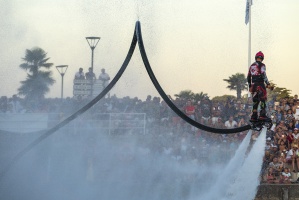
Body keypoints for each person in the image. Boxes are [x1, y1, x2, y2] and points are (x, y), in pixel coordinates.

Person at [247, 51, 274, 121]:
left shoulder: (251, 66)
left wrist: (250, 86)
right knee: (263, 99)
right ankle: (262, 115)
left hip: (253, 85)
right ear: (262, 58)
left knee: (255, 101)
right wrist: (268, 83)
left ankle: (254, 116)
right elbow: (263, 74)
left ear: (256, 57)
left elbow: (248, 77)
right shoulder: (262, 65)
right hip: (260, 84)